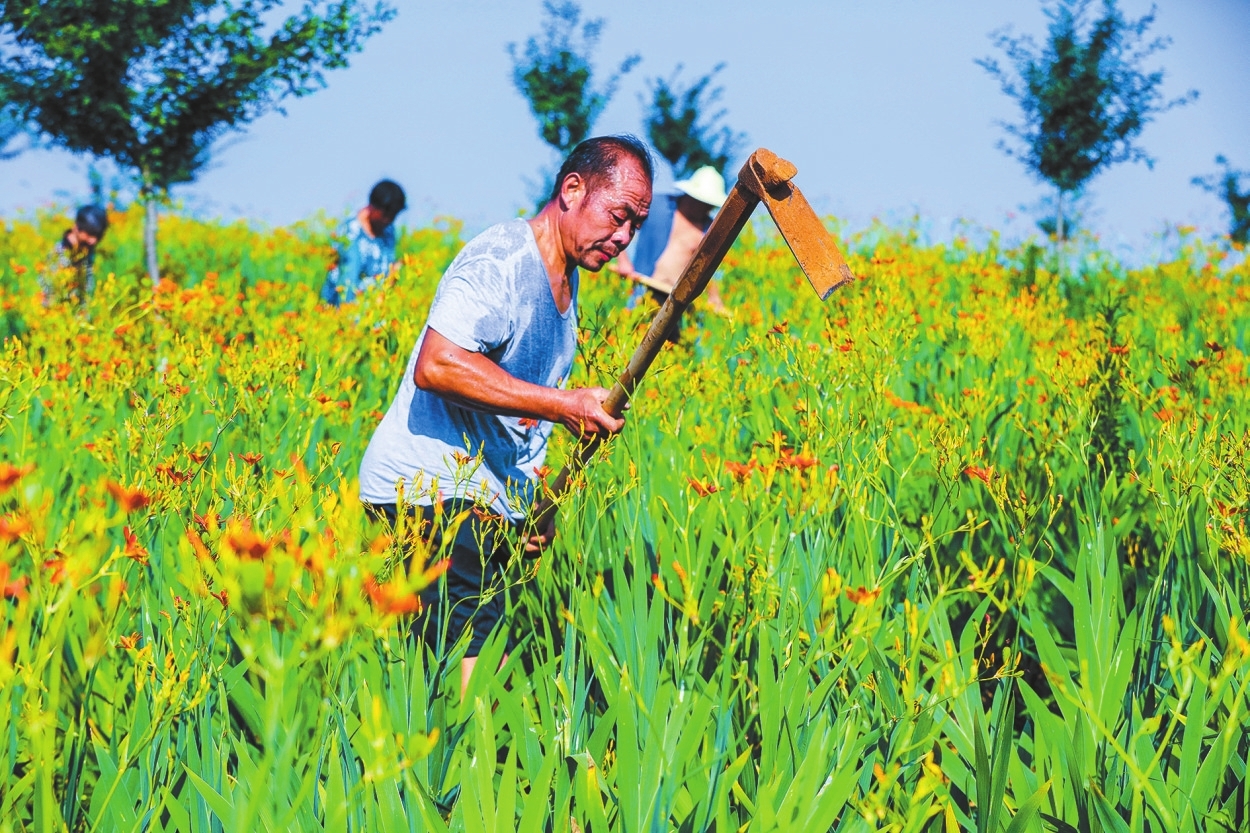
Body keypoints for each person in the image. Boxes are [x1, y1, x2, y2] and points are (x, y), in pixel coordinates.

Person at [358, 135, 653, 691]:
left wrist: (532, 508)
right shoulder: (504, 262)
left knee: (436, 683)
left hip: (472, 501)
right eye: (618, 216)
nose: (623, 237)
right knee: (476, 686)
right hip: (428, 494)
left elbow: (516, 419)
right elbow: (439, 365)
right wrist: (565, 404)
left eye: (635, 225)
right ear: (572, 190)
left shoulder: (565, 286)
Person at [609, 165, 728, 313]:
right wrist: (623, 260)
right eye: (702, 203)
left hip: (679, 305)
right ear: (690, 196)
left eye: (709, 205)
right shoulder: (657, 206)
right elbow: (620, 222)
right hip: (643, 290)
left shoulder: (709, 230)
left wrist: (714, 297)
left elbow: (710, 269)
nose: (705, 208)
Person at [320, 179, 406, 306]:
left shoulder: (388, 231)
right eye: (385, 215)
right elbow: (348, 282)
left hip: (373, 312)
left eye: (393, 216)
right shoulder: (350, 232)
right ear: (373, 206)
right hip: (343, 311)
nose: (388, 220)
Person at [39, 204, 108, 306]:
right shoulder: (57, 254)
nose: (93, 241)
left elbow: (87, 292)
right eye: (90, 234)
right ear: (76, 227)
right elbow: (45, 292)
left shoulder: (88, 252)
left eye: (98, 236)